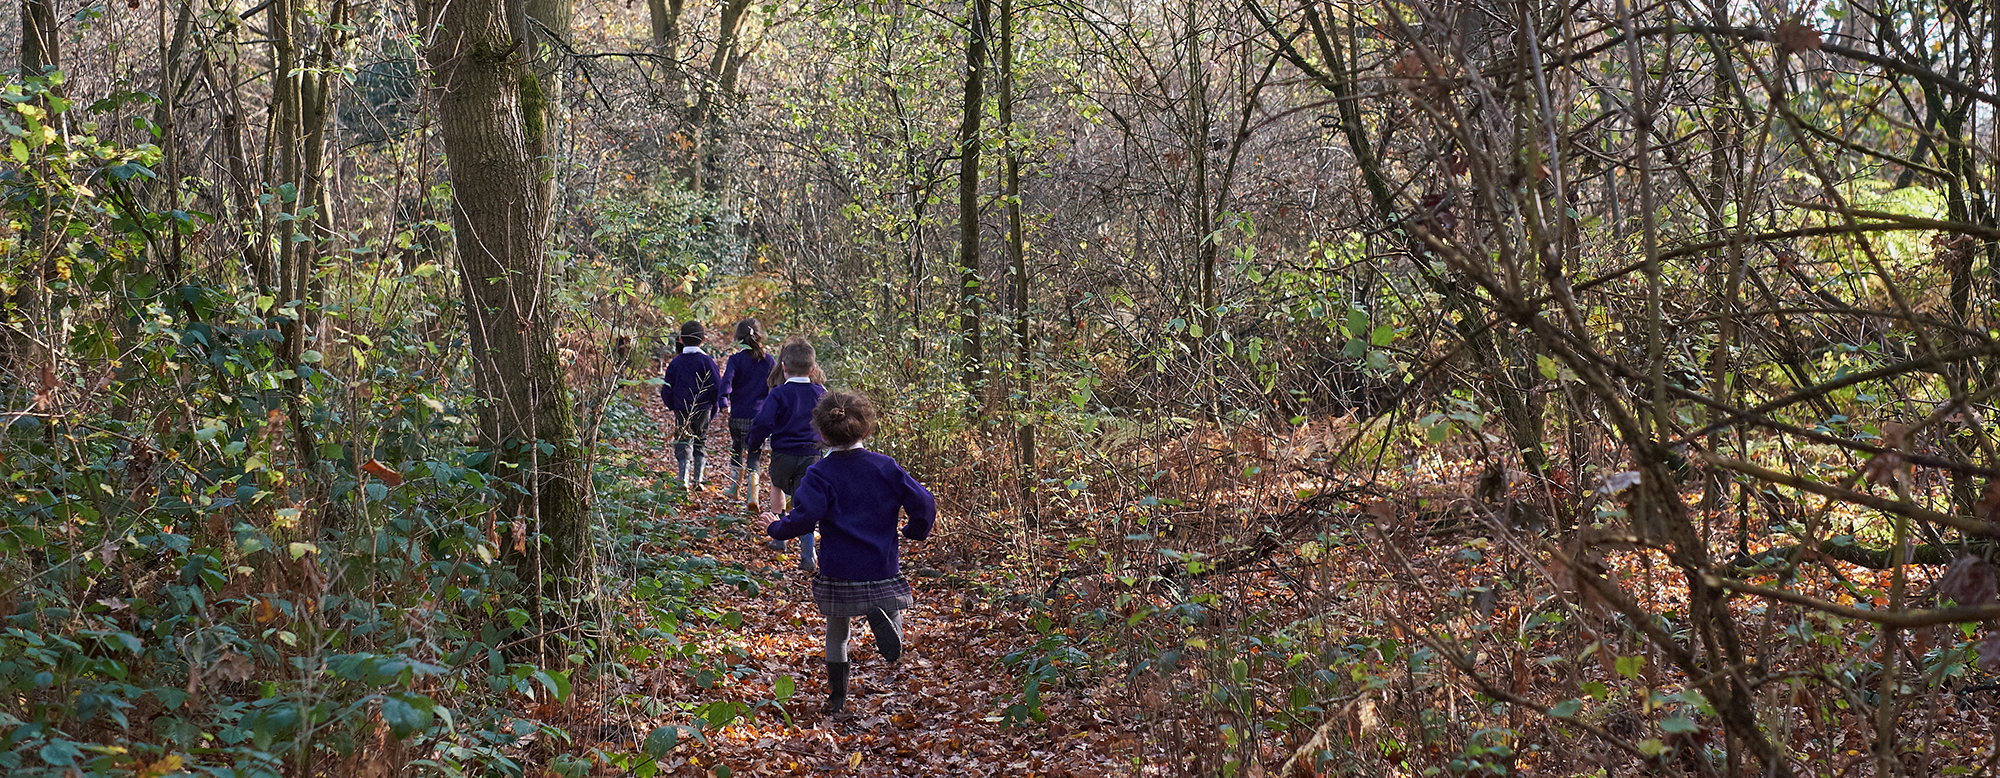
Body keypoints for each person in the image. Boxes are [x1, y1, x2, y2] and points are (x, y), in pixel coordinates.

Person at [763, 391, 936, 716]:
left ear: (822, 433)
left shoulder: (819, 474)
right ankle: (889, 630)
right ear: (866, 429)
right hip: (881, 565)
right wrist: (914, 530)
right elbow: (924, 502)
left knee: (837, 634)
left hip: (839, 568)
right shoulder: (885, 467)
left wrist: (775, 527)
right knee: (891, 614)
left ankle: (838, 699)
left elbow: (804, 517)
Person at [749, 337, 827, 570]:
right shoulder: (821, 392)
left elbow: (763, 422)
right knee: (805, 501)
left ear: (783, 367)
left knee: (777, 486)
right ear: (812, 369)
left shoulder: (778, 393)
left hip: (783, 453)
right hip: (811, 455)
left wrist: (754, 443)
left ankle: (779, 538)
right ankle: (808, 554)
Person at [719, 318, 777, 507]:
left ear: (738, 338)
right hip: (759, 417)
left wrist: (724, 401)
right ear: (760, 336)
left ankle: (734, 489)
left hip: (738, 416)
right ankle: (753, 495)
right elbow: (776, 388)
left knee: (736, 448)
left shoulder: (735, 360)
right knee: (754, 453)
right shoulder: (769, 361)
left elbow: (726, 382)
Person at [659, 321, 722, 488]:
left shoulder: (676, 362)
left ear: (680, 339)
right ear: (704, 339)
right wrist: (714, 407)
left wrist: (673, 406)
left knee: (683, 442)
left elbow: (667, 388)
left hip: (682, 409)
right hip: (703, 409)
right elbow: (717, 387)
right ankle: (698, 480)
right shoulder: (707, 362)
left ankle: (683, 479)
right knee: (701, 441)